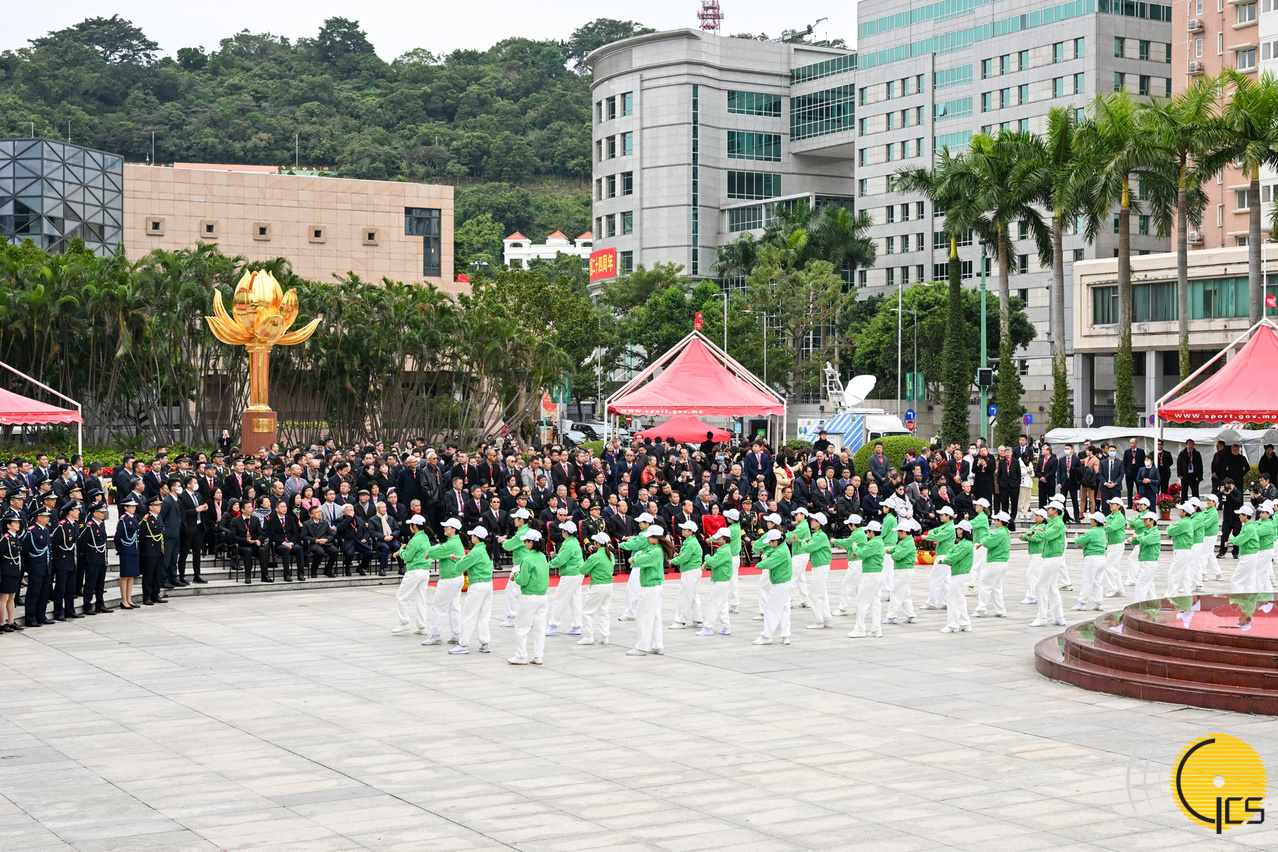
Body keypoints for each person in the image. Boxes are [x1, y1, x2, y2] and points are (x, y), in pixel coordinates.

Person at [627, 526, 674, 657]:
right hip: (654, 587)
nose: (647, 539)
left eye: (649, 537)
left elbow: (639, 560)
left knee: (643, 617)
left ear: (655, 538)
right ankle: (657, 645)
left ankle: (642, 647)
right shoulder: (656, 549)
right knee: (655, 617)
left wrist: (637, 554)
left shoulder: (655, 551)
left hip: (650, 587)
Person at [448, 526, 494, 655]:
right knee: (484, 615)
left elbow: (460, 567)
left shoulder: (475, 551)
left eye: (472, 535)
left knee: (469, 615)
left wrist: (459, 559)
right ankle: (485, 643)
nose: (471, 537)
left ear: (476, 537)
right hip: (488, 585)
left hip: (477, 586)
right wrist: (459, 557)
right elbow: (472, 560)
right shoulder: (485, 549)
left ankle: (463, 644)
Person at [508, 528, 549, 665]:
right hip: (542, 596)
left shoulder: (526, 559)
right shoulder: (542, 557)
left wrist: (516, 576)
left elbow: (523, 581)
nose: (525, 543)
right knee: (539, 628)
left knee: (521, 627)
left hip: (529, 596)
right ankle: (538, 656)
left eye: (526, 541)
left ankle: (521, 656)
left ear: (531, 543)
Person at [421, 517, 465, 646]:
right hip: (457, 576)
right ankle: (456, 634)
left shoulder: (451, 544)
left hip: (448, 578)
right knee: (454, 606)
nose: (444, 528)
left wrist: (436, 548)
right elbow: (439, 552)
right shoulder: (456, 541)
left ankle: (436, 635)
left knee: (438, 606)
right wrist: (440, 551)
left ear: (453, 529)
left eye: (447, 527)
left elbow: (432, 553)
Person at [391, 515, 433, 636]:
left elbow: (408, 556)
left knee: (401, 596)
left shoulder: (415, 540)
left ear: (414, 526)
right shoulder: (425, 537)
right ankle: (422, 626)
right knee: (421, 598)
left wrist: (401, 550)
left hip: (415, 571)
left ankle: (404, 622)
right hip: (425, 571)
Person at [1027, 503, 1066, 627]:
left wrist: (1035, 533)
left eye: (1050, 508)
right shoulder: (1053, 522)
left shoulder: (1058, 524)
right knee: (1052, 588)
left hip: (1052, 558)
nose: (1047, 510)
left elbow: (1048, 535)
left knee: (1040, 586)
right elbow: (1047, 531)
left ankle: (1042, 616)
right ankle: (1059, 617)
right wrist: (1040, 529)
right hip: (1051, 556)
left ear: (1056, 510)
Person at [752, 528, 792, 646]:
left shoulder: (780, 552)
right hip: (784, 582)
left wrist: (759, 564)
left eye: (770, 542)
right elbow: (770, 552)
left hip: (781, 584)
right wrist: (765, 555)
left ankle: (767, 636)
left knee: (770, 609)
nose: (769, 544)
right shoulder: (780, 546)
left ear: (775, 541)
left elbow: (769, 563)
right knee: (784, 609)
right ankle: (785, 635)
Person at [844, 521, 885, 638]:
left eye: (868, 531)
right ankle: (876, 629)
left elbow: (862, 553)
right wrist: (857, 552)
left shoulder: (874, 543)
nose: (867, 533)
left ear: (872, 532)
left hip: (871, 575)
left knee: (861, 601)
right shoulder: (878, 541)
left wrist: (854, 547)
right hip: (876, 574)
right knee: (875, 602)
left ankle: (860, 629)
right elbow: (865, 553)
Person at [546, 520, 585, 636]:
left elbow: (561, 560)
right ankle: (577, 626)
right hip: (577, 573)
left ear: (566, 532)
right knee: (575, 600)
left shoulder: (568, 544)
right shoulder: (573, 542)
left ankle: (553, 625)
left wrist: (549, 564)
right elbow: (564, 558)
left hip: (570, 574)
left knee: (559, 599)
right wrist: (556, 557)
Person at [934, 521, 973, 633]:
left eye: (959, 529)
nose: (957, 531)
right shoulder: (964, 543)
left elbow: (954, 556)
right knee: (959, 599)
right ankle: (965, 624)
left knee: (953, 599)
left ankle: (953, 625)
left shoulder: (965, 545)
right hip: (960, 572)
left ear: (962, 531)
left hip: (960, 574)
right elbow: (953, 553)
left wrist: (944, 561)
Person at [578, 531, 615, 646]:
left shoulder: (595, 556)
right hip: (609, 585)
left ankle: (589, 636)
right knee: (604, 611)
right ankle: (605, 636)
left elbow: (582, 570)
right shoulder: (611, 554)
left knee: (587, 611)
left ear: (597, 543)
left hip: (598, 585)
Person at [698, 528, 734, 636]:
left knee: (713, 603)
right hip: (722, 579)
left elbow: (713, 562)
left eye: (719, 538)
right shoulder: (724, 549)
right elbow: (716, 562)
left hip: (721, 580)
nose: (717, 540)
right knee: (722, 604)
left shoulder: (723, 551)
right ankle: (726, 626)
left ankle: (708, 627)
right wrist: (707, 563)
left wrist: (706, 557)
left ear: (724, 538)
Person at [974, 511, 1010, 618]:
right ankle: (1000, 610)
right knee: (996, 587)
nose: (995, 522)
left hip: (996, 562)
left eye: (996, 520)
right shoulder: (1003, 531)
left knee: (984, 585)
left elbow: (988, 542)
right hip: (1001, 562)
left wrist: (982, 540)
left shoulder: (1000, 532)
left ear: (1000, 521)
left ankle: (981, 609)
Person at [669, 520, 704, 629]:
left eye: (685, 529)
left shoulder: (690, 543)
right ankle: (697, 620)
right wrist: (679, 556)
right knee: (693, 596)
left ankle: (680, 621)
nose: (682, 531)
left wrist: (672, 561)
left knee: (684, 596)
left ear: (691, 531)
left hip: (690, 571)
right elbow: (685, 555)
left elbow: (684, 558)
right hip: (694, 570)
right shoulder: (691, 541)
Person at [800, 512, 833, 630]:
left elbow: (808, 548)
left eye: (814, 520)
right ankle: (826, 619)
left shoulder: (820, 536)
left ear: (819, 523)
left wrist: (803, 542)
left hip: (820, 566)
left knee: (815, 594)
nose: (811, 522)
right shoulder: (818, 535)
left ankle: (818, 621)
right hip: (820, 565)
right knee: (822, 593)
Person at [1071, 512, 1109, 612]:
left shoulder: (1091, 532)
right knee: (1098, 582)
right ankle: (1099, 603)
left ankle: (1082, 603)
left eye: (1092, 519)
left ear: (1096, 521)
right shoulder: (1102, 531)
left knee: (1087, 581)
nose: (1090, 521)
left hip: (1092, 558)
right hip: (1101, 557)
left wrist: (1076, 537)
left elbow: (1079, 541)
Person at [78, 502, 111, 615]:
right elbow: (83, 544)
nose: (103, 514)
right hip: (92, 558)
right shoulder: (89, 526)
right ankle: (87, 604)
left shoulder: (101, 525)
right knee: (90, 583)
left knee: (100, 583)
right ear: (95, 513)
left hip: (101, 557)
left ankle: (100, 603)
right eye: (101, 512)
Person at [922, 506, 956, 610]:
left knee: (934, 578)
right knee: (945, 580)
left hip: (944, 555)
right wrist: (931, 533)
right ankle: (947, 602)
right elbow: (935, 530)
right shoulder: (945, 526)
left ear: (948, 516)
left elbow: (939, 536)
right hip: (943, 554)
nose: (940, 516)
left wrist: (927, 537)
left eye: (942, 515)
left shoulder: (949, 528)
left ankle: (932, 603)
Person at [264, 499, 306, 582]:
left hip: (290, 543)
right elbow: (272, 535)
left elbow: (295, 533)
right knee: (285, 549)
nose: (284, 508)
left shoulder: (290, 519)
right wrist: (283, 543)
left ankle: (300, 574)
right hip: (279, 544)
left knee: (299, 548)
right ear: (276, 509)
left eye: (285, 507)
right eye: (282, 507)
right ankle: (287, 575)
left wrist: (291, 542)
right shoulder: (272, 520)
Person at [1127, 511, 1163, 603]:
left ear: (1152, 521)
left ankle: (1139, 606)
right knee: (1149, 585)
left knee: (1140, 586)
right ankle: (1154, 604)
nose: (1144, 521)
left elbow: (1146, 540)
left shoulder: (1155, 533)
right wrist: (1132, 540)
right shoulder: (1146, 531)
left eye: (1146, 519)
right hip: (1145, 561)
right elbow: (1138, 540)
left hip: (1149, 562)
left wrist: (1136, 536)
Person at [139, 497, 168, 604]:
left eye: (160, 505)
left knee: (157, 574)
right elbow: (141, 538)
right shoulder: (146, 520)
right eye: (157, 505)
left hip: (159, 549)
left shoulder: (159, 517)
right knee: (148, 575)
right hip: (149, 551)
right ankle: (146, 596)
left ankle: (155, 594)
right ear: (150, 507)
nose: (159, 507)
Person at [834, 514, 863, 617]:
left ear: (853, 524)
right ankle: (862, 608)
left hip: (856, 563)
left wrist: (834, 541)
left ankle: (843, 608)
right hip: (859, 562)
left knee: (846, 585)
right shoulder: (858, 533)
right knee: (859, 586)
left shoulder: (857, 534)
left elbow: (847, 542)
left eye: (850, 525)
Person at [114, 495, 141, 609]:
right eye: (131, 506)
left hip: (134, 549)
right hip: (126, 549)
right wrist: (120, 549)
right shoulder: (123, 520)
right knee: (125, 575)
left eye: (134, 506)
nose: (134, 508)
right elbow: (117, 537)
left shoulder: (134, 518)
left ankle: (129, 599)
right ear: (126, 507)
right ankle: (124, 600)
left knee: (132, 575)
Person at [1165, 502, 1197, 597]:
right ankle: (1187, 594)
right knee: (1185, 574)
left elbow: (1171, 531)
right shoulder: (1186, 521)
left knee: (1173, 573)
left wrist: (1170, 527)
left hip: (1182, 550)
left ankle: (1171, 595)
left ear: (1185, 512)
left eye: (1181, 510)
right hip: (1185, 550)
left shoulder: (1183, 522)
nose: (1179, 511)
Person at [1226, 506, 1260, 593]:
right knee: (1249, 582)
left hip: (1248, 556)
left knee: (1236, 580)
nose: (1239, 516)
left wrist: (1231, 537)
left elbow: (1238, 541)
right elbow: (1243, 539)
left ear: (1245, 515)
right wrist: (1231, 542)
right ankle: (1249, 600)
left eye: (1240, 514)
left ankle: (1238, 599)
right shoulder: (1249, 526)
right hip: (1251, 555)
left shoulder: (1249, 528)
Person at [1019, 508, 1047, 607]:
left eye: (1037, 515)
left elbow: (1036, 537)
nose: (1035, 517)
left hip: (1038, 553)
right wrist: (1024, 536)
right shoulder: (1035, 526)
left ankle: (1032, 596)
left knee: (1031, 573)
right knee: (1037, 574)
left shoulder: (1044, 527)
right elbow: (1027, 535)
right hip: (1033, 552)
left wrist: (1027, 536)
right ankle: (1038, 594)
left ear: (1043, 518)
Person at [1, 516, 24, 631]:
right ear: (8, 526)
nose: (17, 524)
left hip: (15, 571)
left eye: (18, 522)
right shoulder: (5, 539)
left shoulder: (15, 537)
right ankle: (2, 622)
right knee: (4, 598)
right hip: (6, 572)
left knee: (12, 597)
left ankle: (11, 621)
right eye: (14, 523)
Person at [302, 505, 339, 578]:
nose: (319, 513)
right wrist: (316, 540)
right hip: (314, 543)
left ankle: (328, 569)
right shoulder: (306, 524)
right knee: (320, 552)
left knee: (335, 551)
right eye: (316, 512)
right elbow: (304, 536)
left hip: (325, 542)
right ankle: (314, 569)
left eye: (320, 512)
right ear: (311, 515)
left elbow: (330, 535)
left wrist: (327, 539)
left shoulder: (325, 523)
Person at [1122, 439, 1146, 507]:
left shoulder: (1141, 451)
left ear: (1136, 444)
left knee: (1139, 488)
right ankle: (1130, 504)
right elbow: (1124, 463)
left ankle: (1140, 503)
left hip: (1138, 473)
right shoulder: (1127, 452)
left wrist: (1142, 472)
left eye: (1132, 443)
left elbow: (1143, 462)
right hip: (1129, 474)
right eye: (1130, 443)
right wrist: (1126, 471)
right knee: (1129, 489)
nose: (1131, 444)